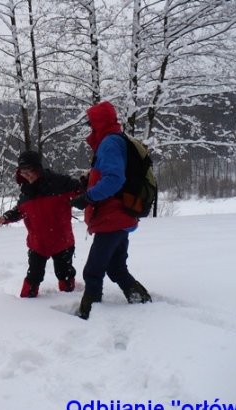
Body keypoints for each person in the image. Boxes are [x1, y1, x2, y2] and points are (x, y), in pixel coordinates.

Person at [71, 101, 152, 320]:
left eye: (91, 123)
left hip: (112, 217)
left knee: (93, 270)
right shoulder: (115, 139)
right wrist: (89, 180)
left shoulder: (109, 143)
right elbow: (110, 174)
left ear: (99, 122)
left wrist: (88, 197)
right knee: (116, 267)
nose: (89, 127)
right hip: (121, 215)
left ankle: (89, 312)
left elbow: (115, 179)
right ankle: (141, 300)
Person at [0, 150, 85, 297]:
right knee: (33, 276)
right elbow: (20, 211)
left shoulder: (59, 183)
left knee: (65, 273)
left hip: (62, 240)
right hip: (38, 243)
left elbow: (81, 189)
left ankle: (68, 300)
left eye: (30, 170)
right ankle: (26, 302)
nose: (27, 175)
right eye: (23, 171)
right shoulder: (26, 192)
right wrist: (5, 218)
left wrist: (87, 187)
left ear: (38, 169)